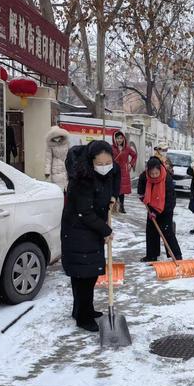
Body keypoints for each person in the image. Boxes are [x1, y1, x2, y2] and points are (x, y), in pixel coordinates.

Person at [61, 140, 120, 332]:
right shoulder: (82, 179)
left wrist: (113, 196)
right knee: (83, 276)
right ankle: (83, 318)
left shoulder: (106, 173)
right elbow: (84, 212)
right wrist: (106, 230)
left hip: (90, 231)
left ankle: (83, 309)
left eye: (107, 163)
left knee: (89, 275)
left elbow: (113, 181)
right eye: (100, 164)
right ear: (91, 161)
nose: (105, 168)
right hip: (78, 231)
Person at [137, 157, 182, 262]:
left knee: (167, 231)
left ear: (160, 169)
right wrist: (142, 195)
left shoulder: (167, 179)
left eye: (156, 173)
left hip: (166, 207)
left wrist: (157, 212)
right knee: (151, 231)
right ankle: (152, 255)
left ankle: (176, 255)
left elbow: (170, 200)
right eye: (151, 174)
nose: (154, 176)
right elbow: (141, 186)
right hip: (152, 206)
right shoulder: (145, 176)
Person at [112, 130, 137, 214]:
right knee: (114, 188)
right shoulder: (111, 148)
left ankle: (121, 206)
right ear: (114, 139)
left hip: (123, 171)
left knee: (121, 190)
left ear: (123, 139)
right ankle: (113, 206)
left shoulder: (127, 148)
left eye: (121, 138)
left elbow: (134, 155)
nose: (119, 140)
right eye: (117, 138)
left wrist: (131, 164)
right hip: (114, 170)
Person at [45, 126, 70, 192]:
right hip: (56, 169)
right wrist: (47, 171)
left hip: (66, 167)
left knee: (67, 188)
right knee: (58, 189)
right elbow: (48, 159)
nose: (57, 138)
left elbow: (70, 154)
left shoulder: (66, 143)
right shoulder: (50, 145)